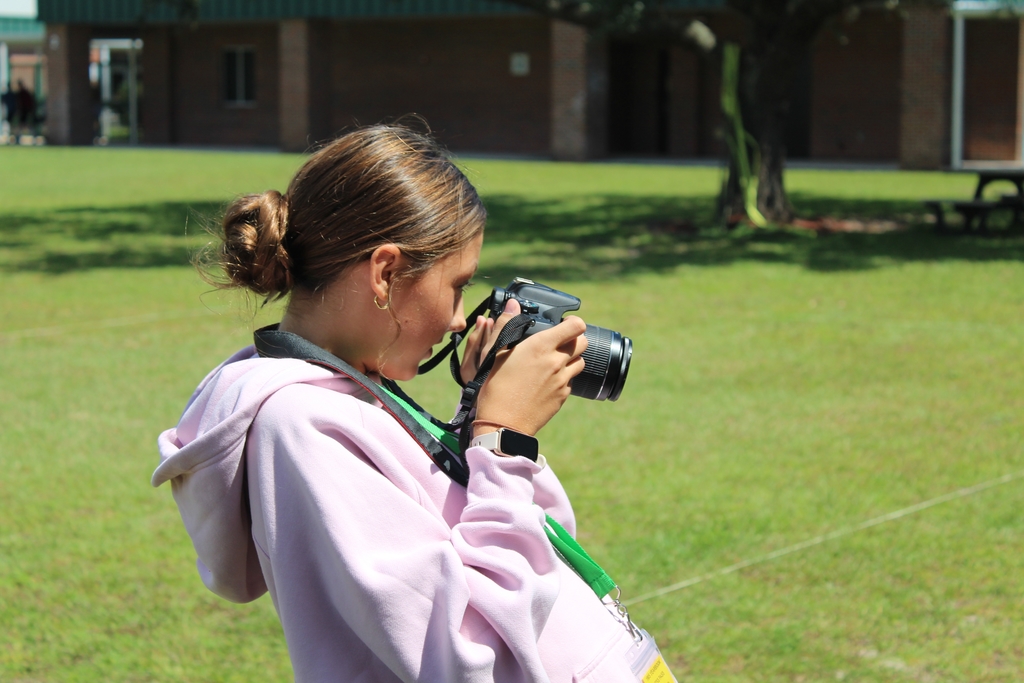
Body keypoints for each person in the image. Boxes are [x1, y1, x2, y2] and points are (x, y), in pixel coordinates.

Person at [153, 124, 662, 682]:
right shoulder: (302, 426)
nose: (460, 319)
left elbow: (546, 550)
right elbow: (465, 658)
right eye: (458, 284)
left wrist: (478, 426)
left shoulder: (357, 391)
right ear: (386, 274)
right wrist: (503, 437)